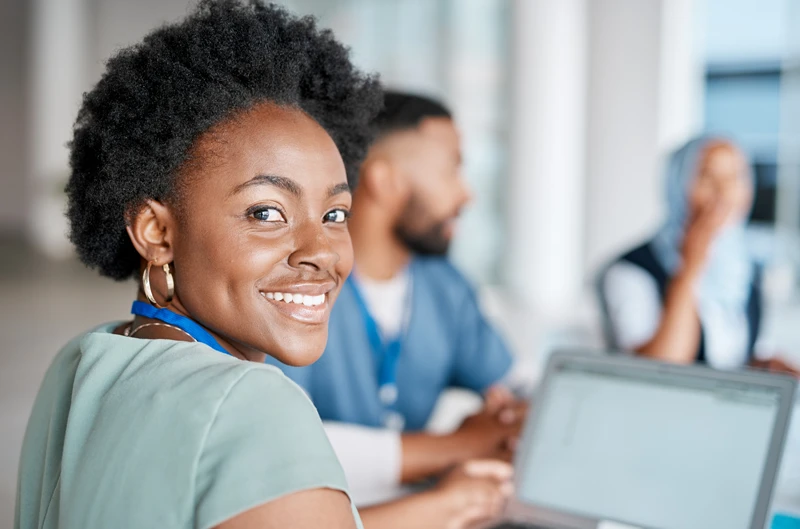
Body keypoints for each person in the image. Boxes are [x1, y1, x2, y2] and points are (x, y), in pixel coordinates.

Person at [14, 3, 511, 528]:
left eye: (334, 213)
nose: (321, 251)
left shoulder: (87, 359)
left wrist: (442, 506)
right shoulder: (254, 404)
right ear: (157, 232)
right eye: (266, 212)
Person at [267, 92, 525, 529]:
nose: (467, 194)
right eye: (453, 167)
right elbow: (282, 448)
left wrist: (512, 417)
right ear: (385, 181)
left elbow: (510, 383)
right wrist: (456, 446)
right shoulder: (294, 288)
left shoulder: (445, 285)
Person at [599, 135, 799, 375]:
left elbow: (727, 361)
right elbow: (660, 370)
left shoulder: (746, 272)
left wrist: (764, 368)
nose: (724, 192)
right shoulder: (629, 271)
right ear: (677, 186)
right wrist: (691, 266)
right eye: (707, 176)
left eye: (735, 177)